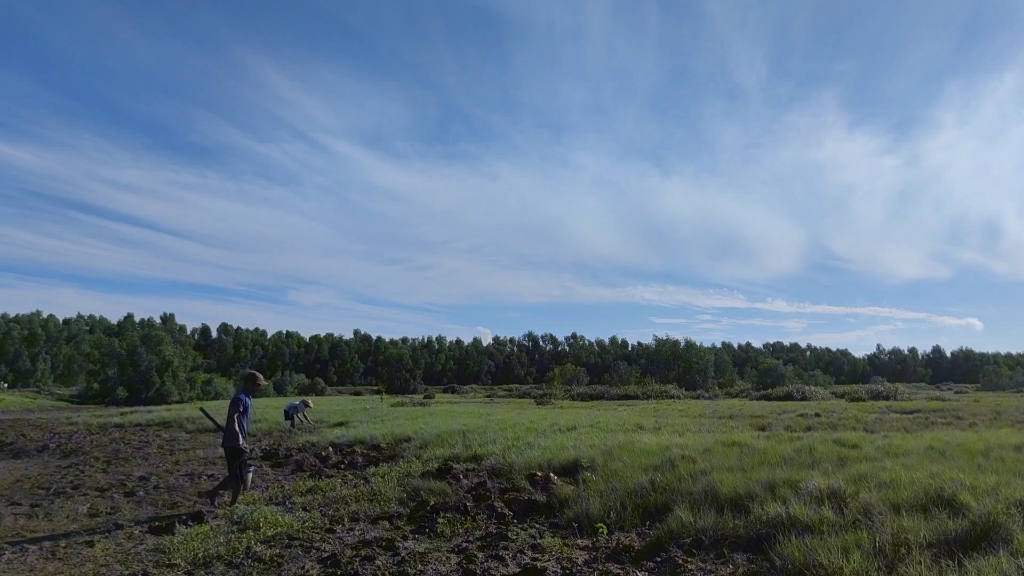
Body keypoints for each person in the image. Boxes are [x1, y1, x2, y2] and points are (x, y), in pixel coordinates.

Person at [205, 370, 265, 507]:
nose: (259, 388)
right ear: (249, 383)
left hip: (240, 442)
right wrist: (238, 437)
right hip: (233, 444)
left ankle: (214, 493)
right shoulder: (239, 398)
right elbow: (233, 417)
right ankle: (232, 505)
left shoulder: (247, 397)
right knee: (237, 479)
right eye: (257, 385)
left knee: (240, 477)